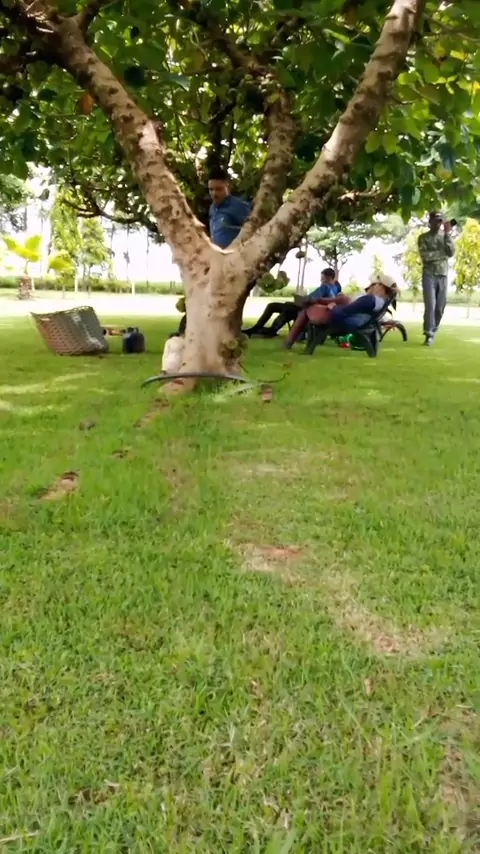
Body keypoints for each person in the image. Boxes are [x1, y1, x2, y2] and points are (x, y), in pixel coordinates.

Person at [284, 276, 397, 349]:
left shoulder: (370, 299)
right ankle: (311, 301)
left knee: (306, 310)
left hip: (342, 320)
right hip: (351, 319)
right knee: (342, 299)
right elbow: (350, 309)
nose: (372, 286)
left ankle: (288, 342)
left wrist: (333, 307)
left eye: (375, 284)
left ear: (381, 287)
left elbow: (344, 312)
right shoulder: (380, 302)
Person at [243, 268, 342, 338]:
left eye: (323, 278)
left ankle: (267, 330)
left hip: (307, 310)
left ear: (329, 278)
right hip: (308, 309)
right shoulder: (335, 289)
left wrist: (300, 299)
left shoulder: (325, 287)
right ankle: (264, 329)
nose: (321, 280)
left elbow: (310, 299)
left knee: (283, 308)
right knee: (283, 307)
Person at [418, 212, 455, 346]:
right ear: (430, 222)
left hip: (443, 275)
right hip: (429, 274)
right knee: (430, 305)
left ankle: (433, 329)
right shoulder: (423, 238)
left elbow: (450, 252)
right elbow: (425, 257)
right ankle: (429, 334)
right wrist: (442, 254)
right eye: (436, 221)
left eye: (440, 221)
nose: (438, 224)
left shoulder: (445, 236)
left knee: (439, 308)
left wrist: (447, 234)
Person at [208, 167, 251, 248]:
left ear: (227, 186)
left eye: (218, 189)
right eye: (211, 189)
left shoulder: (239, 206)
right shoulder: (212, 208)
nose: (214, 193)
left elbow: (253, 231)